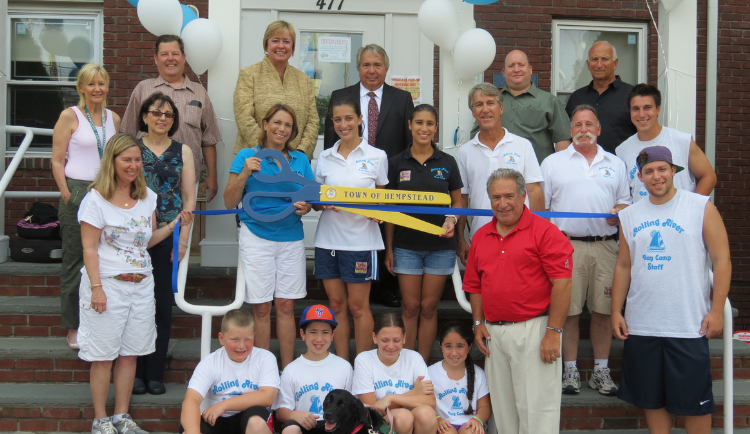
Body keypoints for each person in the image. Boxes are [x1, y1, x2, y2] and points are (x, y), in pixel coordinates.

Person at [77, 133, 193, 434]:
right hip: (106, 284)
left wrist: (174, 224)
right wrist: (97, 289)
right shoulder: (95, 199)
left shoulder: (147, 198)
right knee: (103, 356)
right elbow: (89, 248)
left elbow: (146, 240)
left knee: (129, 354)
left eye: (137, 159)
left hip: (141, 284)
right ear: (112, 162)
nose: (133, 165)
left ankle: (122, 417)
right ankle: (100, 420)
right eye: (126, 159)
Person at [611, 146, 731, 434]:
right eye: (649, 171)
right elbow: (624, 266)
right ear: (640, 177)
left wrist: (717, 310)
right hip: (643, 326)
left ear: (674, 170)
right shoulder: (630, 216)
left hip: (687, 325)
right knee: (652, 401)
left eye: (662, 169)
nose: (657, 176)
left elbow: (722, 260)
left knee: (694, 403)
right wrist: (616, 310)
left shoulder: (700, 206)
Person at [465, 168, 573, 434]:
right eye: (496, 197)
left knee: (537, 412)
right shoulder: (480, 236)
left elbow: (563, 282)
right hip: (494, 333)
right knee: (503, 412)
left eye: (509, 196)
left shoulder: (545, 232)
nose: (503, 204)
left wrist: (553, 332)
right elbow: (475, 285)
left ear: (524, 195)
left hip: (534, 330)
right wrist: (478, 321)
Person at [540, 105, 630, 396]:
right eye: (577, 124)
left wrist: (620, 211)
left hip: (605, 247)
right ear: (570, 130)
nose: (583, 129)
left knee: (603, 312)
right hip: (565, 247)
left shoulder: (615, 163)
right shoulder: (553, 162)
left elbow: (626, 203)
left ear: (599, 129)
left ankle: (601, 372)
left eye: (589, 124)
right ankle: (570, 372)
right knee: (569, 312)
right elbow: (541, 209)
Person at [323, 44, 415, 308]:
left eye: (377, 65)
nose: (372, 70)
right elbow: (331, 140)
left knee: (384, 228)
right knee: (354, 224)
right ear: (358, 67)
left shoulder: (402, 98)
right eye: (366, 65)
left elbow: (407, 142)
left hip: (386, 175)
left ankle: (385, 288)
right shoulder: (340, 95)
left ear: (386, 68)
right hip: (349, 175)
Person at [224, 104, 313, 369]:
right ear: (265, 124)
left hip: (291, 237)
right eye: (277, 122)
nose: (282, 129)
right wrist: (244, 173)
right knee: (261, 308)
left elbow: (311, 198)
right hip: (256, 237)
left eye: (288, 125)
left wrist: (307, 206)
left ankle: (286, 369)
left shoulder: (300, 160)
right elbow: (230, 202)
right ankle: (263, 372)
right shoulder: (246, 155)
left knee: (285, 306)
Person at [384, 104, 463, 362]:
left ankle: (423, 364)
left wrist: (452, 219)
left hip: (440, 248)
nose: (424, 128)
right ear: (410, 125)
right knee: (410, 307)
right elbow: (390, 210)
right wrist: (389, 248)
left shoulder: (448, 162)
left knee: (429, 308)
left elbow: (458, 202)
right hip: (406, 246)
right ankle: (407, 365)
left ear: (436, 127)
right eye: (419, 122)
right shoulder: (396, 162)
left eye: (430, 123)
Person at [52, 63, 120, 351]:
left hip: (107, 192)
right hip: (78, 191)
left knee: (105, 258)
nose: (97, 89)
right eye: (91, 84)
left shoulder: (114, 118)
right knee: (75, 259)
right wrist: (67, 193)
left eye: (101, 84)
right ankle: (73, 326)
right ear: (81, 87)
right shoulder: (70, 116)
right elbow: (56, 159)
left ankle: (99, 320)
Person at [313, 96, 388, 360]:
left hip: (361, 243)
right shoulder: (324, 157)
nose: (343, 124)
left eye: (348, 118)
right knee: (336, 305)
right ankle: (344, 365)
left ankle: (363, 368)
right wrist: (322, 205)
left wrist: (377, 212)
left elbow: (383, 199)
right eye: (337, 120)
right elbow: (316, 201)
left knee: (358, 307)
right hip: (328, 241)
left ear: (359, 119)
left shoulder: (377, 156)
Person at [133, 93, 196, 396]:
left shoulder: (182, 150)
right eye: (156, 113)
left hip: (169, 234)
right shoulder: (131, 149)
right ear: (144, 116)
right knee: (133, 306)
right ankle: (134, 372)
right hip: (132, 237)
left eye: (169, 114)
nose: (162, 118)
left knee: (161, 306)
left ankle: (155, 372)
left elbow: (189, 197)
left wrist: (183, 239)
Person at [122, 34, 222, 203]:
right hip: (145, 179)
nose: (170, 59)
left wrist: (212, 176)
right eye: (164, 54)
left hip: (186, 179)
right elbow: (126, 135)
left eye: (175, 54)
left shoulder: (199, 93)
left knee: (183, 225)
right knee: (144, 227)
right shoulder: (143, 90)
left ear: (183, 57)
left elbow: (209, 139)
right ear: (155, 58)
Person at [455, 83, 544, 265]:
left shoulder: (523, 145)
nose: (485, 109)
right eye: (479, 105)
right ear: (473, 112)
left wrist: (539, 233)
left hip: (522, 237)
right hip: (481, 237)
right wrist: (460, 239)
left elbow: (534, 191)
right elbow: (462, 199)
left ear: (501, 108)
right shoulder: (464, 152)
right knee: (483, 290)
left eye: (491, 103)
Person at [180, 309, 280, 434]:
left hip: (250, 418)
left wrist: (224, 405)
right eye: (235, 339)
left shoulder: (265, 358)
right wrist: (193, 432)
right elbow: (191, 400)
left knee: (256, 423)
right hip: (217, 420)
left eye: (247, 339)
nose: (242, 346)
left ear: (254, 336)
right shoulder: (210, 362)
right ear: (221, 338)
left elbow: (267, 396)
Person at [616, 83, 717, 202]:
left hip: (681, 218)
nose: (641, 114)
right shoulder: (622, 150)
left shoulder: (682, 141)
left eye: (647, 107)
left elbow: (709, 176)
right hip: (644, 219)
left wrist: (691, 207)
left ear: (658, 109)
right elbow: (624, 196)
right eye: (636, 109)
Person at [233, 20, 319, 159]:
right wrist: (268, 151)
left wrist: (301, 153)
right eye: (275, 40)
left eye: (286, 41)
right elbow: (244, 118)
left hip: (295, 159)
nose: (281, 46)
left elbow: (313, 121)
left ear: (293, 47)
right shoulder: (249, 74)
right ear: (266, 44)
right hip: (256, 158)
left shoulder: (304, 80)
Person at [273, 304, 354, 434]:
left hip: (335, 426)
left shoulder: (344, 367)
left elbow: (352, 406)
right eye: (313, 332)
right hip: (303, 424)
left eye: (325, 332)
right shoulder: (291, 370)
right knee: (290, 430)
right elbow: (281, 412)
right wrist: (294, 415)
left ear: (333, 335)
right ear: (302, 334)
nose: (319, 339)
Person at [353, 313, 438, 434]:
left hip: (412, 419)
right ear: (374, 337)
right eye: (384, 340)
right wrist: (413, 393)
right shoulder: (364, 360)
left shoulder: (414, 358)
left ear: (404, 338)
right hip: (378, 422)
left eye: (396, 340)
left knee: (427, 414)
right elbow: (374, 410)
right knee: (403, 416)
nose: (391, 346)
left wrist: (391, 398)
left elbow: (430, 402)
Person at [564, 41, 637, 153]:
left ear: (615, 63)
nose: (599, 65)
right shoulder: (576, 98)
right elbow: (566, 136)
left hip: (621, 167)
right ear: (588, 64)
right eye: (594, 59)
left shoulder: (632, 95)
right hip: (581, 166)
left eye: (604, 59)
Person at [500, 49, 571, 163]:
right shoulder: (493, 102)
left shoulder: (549, 101)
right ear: (504, 72)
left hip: (538, 173)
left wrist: (557, 169)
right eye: (511, 66)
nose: (516, 69)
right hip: (499, 174)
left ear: (530, 69)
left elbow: (563, 139)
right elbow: (478, 137)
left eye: (521, 65)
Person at [429, 322, 491, 434]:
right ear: (440, 345)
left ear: (469, 346)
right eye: (448, 346)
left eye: (460, 346)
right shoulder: (430, 372)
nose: (454, 353)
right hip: (443, 425)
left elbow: (485, 407)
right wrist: (436, 419)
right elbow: (425, 404)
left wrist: (477, 419)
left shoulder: (479, 373)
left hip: (469, 423)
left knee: (472, 432)